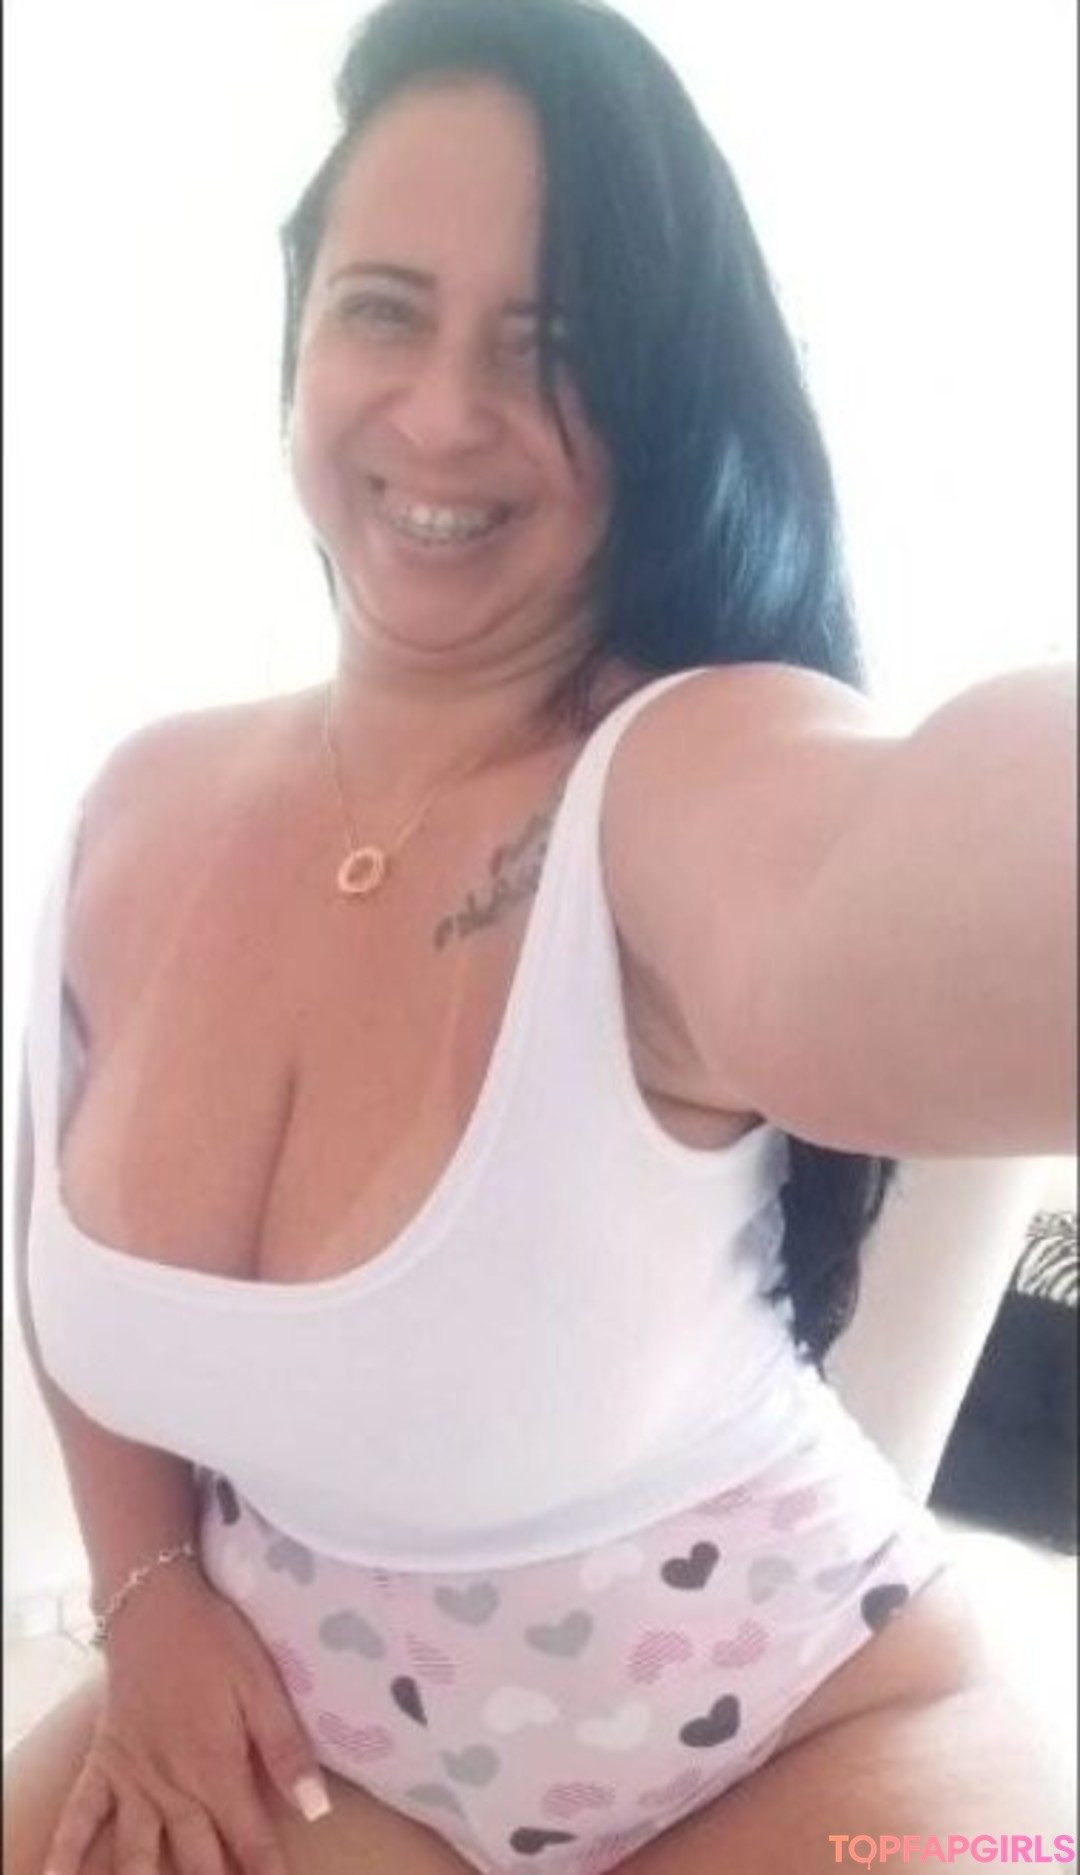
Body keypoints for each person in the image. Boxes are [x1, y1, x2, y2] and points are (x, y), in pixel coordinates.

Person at [5, 0, 1075, 1871]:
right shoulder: (137, 802)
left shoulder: (682, 771)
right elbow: (85, 1293)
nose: (442, 413)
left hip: (807, 1741)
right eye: (386, 310)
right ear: (298, 335)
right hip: (317, 1724)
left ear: (659, 401)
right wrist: (149, 1587)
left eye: (551, 346)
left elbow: (913, 873)